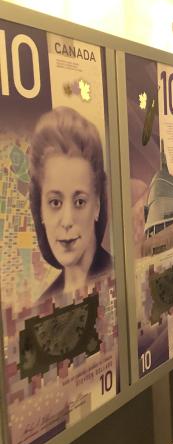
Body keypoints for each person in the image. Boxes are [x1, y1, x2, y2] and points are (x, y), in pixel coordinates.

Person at [28, 106, 112, 301]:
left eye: (80, 202)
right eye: (55, 202)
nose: (67, 221)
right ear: (40, 209)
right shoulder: (43, 305)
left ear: (97, 205)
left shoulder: (119, 279)